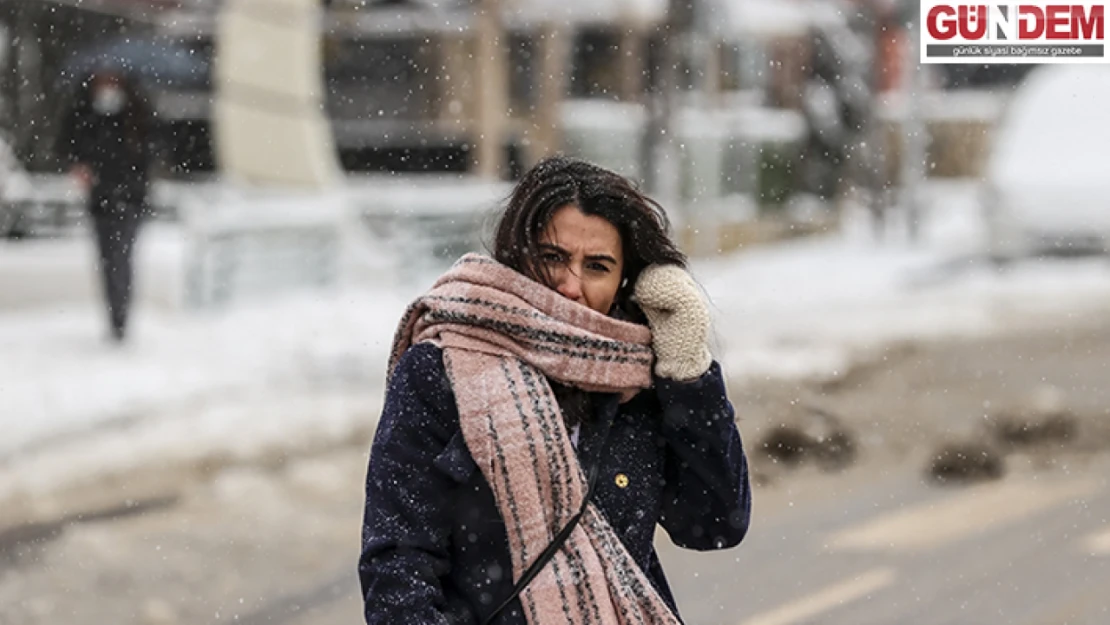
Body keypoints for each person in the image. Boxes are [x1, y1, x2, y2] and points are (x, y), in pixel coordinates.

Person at [359, 156, 751, 625]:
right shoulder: (442, 367)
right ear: (516, 255)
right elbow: (398, 564)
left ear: (624, 281)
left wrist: (687, 371)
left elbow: (714, 524)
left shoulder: (635, 382)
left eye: (597, 266)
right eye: (552, 258)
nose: (571, 286)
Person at [55, 68, 155, 342]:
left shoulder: (137, 112)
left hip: (130, 200)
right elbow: (68, 146)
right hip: (101, 200)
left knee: (120, 258)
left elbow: (150, 153)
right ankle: (115, 314)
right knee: (108, 259)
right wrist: (79, 166)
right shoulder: (85, 112)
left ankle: (120, 317)